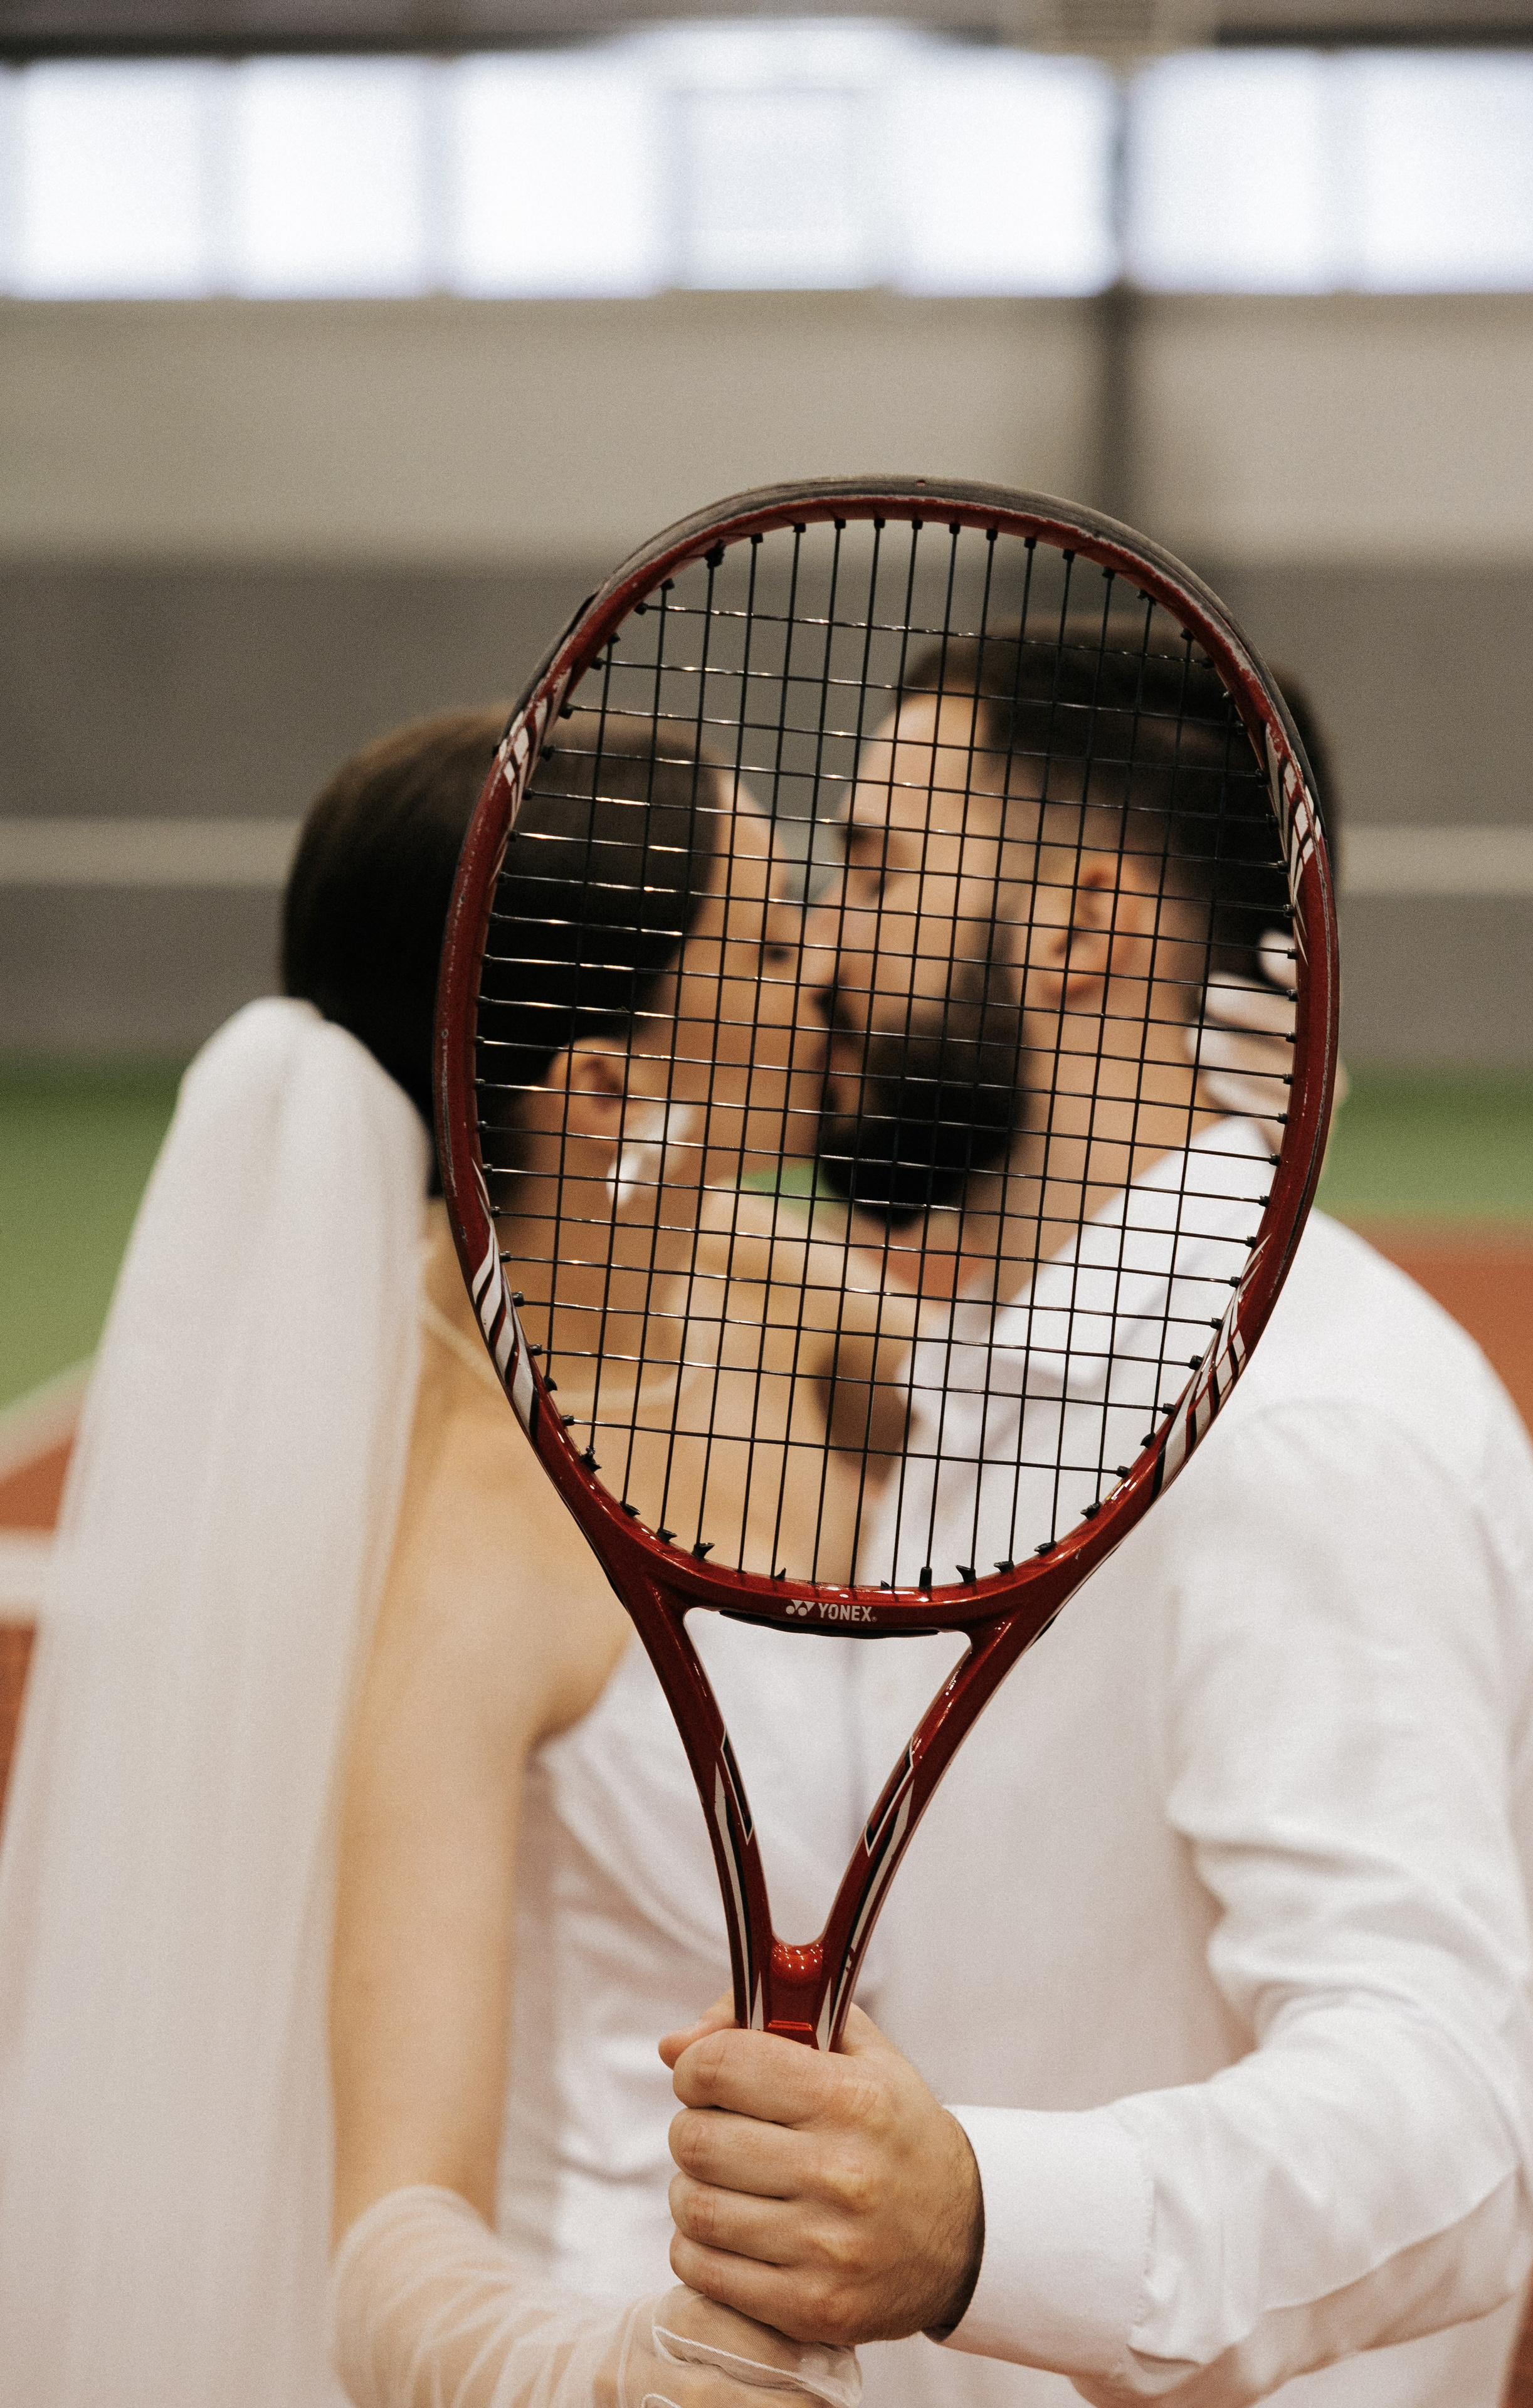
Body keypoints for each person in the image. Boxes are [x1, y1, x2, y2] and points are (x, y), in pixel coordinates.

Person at [655, 628, 1533, 2406]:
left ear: (1081, 935)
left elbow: (1450, 2127)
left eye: (876, 867)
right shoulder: (990, 1351)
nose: (818, 953)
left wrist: (979, 2221)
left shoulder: (1306, 1431)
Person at [0, 707, 854, 2408]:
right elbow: (392, 2235)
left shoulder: (769, 1300)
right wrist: (628, 2373)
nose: (830, 964)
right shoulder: (460, 1543)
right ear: (610, 1090)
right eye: (768, 942)